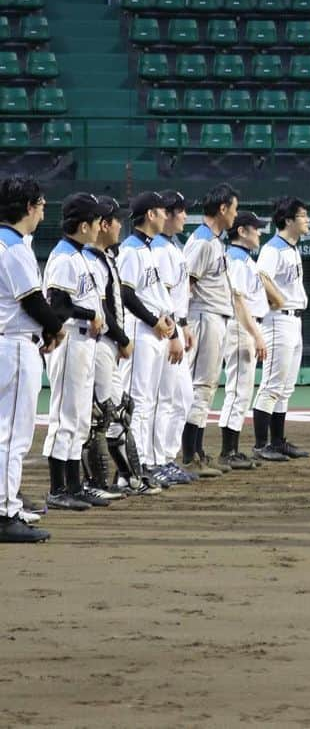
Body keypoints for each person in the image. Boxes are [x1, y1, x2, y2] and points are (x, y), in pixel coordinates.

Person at [0, 176, 63, 542]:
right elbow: (32, 301)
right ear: (28, 206)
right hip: (13, 345)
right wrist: (56, 329)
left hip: (9, 340)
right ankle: (5, 512)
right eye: (40, 206)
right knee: (12, 436)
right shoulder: (15, 246)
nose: (42, 212)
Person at [42, 193, 114, 511]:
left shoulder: (82, 256)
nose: (101, 225)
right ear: (83, 225)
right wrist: (90, 315)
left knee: (80, 418)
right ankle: (59, 488)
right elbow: (58, 305)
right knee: (65, 417)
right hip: (69, 339)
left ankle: (74, 485)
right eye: (97, 221)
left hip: (85, 342)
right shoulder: (62, 258)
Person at [84, 196, 153, 497]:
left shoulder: (107, 256)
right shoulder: (89, 259)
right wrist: (122, 339)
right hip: (99, 343)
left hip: (108, 344)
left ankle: (128, 478)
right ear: (102, 225)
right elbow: (102, 308)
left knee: (120, 411)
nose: (119, 225)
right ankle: (92, 484)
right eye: (114, 220)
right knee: (99, 415)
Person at [118, 190, 177, 488]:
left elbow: (151, 293)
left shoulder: (149, 248)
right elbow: (126, 294)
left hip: (153, 330)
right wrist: (154, 321)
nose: (167, 215)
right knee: (138, 403)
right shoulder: (130, 249)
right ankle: (132, 468)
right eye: (162, 210)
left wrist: (165, 320)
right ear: (150, 215)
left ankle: (144, 464)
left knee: (149, 401)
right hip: (140, 331)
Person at [181, 183, 239, 476]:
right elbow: (186, 285)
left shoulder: (214, 241)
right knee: (199, 387)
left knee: (206, 387)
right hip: (203, 318)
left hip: (214, 317)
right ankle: (189, 455)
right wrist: (183, 323)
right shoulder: (202, 242)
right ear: (223, 208)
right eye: (234, 208)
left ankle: (198, 451)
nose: (236, 214)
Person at [252, 197, 310, 460]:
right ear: (288, 220)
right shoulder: (273, 249)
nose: (307, 221)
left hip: (294, 321)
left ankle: (278, 442)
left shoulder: (291, 247)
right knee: (271, 385)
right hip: (278, 321)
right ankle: (261, 445)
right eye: (303, 216)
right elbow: (261, 276)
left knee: (285, 386)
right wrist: (277, 298)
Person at [149, 190, 196, 486]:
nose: (184, 216)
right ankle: (156, 461)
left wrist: (185, 323)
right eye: (180, 211)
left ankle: (166, 457)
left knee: (181, 398)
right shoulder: (159, 249)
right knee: (163, 398)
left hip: (176, 326)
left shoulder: (171, 246)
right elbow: (163, 298)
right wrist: (175, 331)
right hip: (165, 331)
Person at [218, 211, 271, 467]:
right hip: (241, 327)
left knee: (242, 390)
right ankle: (228, 452)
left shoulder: (245, 259)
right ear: (241, 231)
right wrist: (257, 335)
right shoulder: (236, 260)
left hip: (245, 327)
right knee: (238, 389)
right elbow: (238, 302)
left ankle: (233, 450)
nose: (259, 232)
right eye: (255, 228)